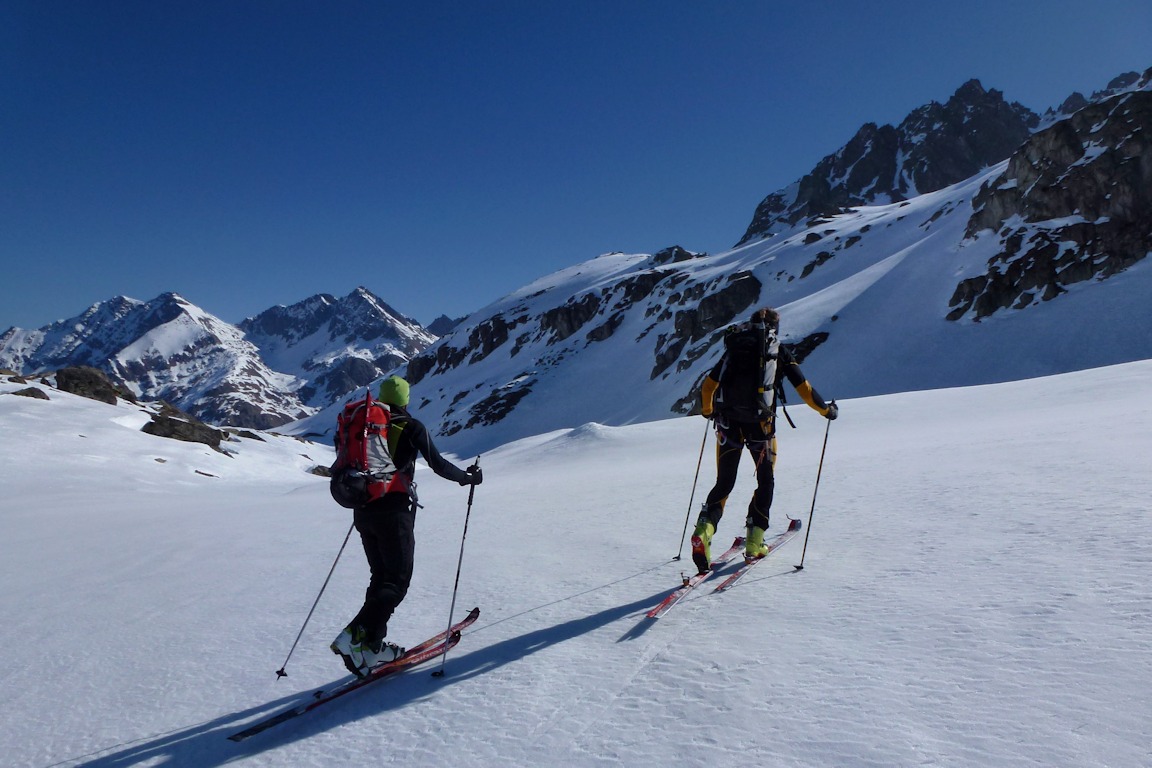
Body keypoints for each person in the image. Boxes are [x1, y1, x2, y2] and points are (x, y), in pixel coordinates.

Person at [330, 374, 482, 677]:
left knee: (381, 578)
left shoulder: (364, 426)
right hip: (394, 512)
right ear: (405, 399)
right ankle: (353, 636)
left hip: (363, 510)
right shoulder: (410, 426)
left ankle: (372, 646)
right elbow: (439, 465)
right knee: (396, 581)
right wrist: (469, 478)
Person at [693, 307, 837, 573]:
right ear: (775, 328)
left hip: (727, 426)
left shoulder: (733, 349)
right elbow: (804, 390)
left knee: (724, 482)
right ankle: (755, 541)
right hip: (761, 429)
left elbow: (708, 387)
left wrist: (708, 411)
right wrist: (827, 410)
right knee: (765, 480)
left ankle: (703, 532)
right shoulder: (777, 351)